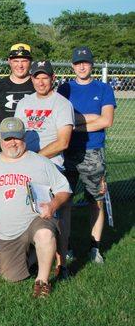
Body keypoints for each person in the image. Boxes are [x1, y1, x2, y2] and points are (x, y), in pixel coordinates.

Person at [0, 117, 71, 298]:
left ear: (23, 137)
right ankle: (37, 253)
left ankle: (42, 282)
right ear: (0, 139)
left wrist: (53, 204)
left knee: (44, 234)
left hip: (37, 220)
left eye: (16, 137)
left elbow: (64, 190)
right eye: (8, 138)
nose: (12, 143)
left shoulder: (40, 162)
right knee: (10, 277)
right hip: (9, 234)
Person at [15, 60, 75, 279]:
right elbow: (18, 135)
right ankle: (32, 257)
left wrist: (35, 159)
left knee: (54, 214)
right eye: (37, 77)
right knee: (26, 213)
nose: (41, 82)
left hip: (51, 166)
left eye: (45, 77)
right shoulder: (24, 103)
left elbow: (63, 142)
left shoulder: (61, 104)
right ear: (31, 79)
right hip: (25, 164)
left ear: (53, 79)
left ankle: (61, 264)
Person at [58, 47, 116, 263]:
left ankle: (95, 247)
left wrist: (74, 124)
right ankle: (67, 245)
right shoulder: (65, 89)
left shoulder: (103, 88)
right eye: (78, 63)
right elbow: (60, 119)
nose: (82, 66)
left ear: (92, 64)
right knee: (65, 201)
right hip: (68, 150)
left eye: (86, 62)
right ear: (72, 66)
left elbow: (106, 121)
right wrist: (90, 118)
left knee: (96, 200)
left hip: (93, 151)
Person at [0, 43, 35, 153]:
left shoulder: (36, 85)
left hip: (31, 143)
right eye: (16, 61)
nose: (20, 65)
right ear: (9, 61)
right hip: (5, 145)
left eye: (24, 61)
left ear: (30, 62)